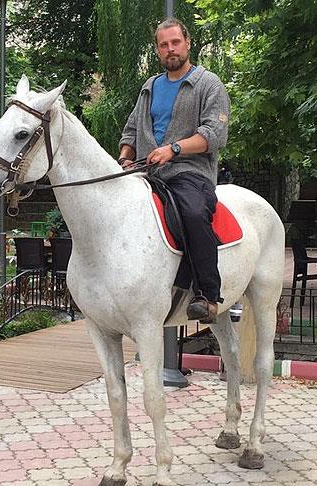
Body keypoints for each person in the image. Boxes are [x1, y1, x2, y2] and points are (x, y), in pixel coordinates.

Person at [118, 18, 231, 324]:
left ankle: (207, 295)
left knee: (193, 213)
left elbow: (214, 135)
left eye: (175, 42)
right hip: (145, 173)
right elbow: (131, 130)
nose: (170, 49)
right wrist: (125, 156)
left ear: (188, 42)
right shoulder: (149, 87)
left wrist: (174, 149)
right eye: (164, 45)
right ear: (157, 49)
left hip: (189, 173)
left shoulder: (209, 84)